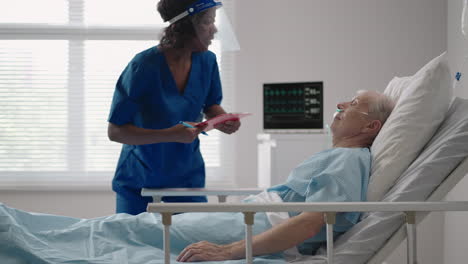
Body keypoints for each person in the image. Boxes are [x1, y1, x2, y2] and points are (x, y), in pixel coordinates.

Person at [175, 90, 395, 262]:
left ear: (370, 126)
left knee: (150, 227)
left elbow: (310, 223)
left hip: (262, 224)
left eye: (354, 104)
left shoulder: (348, 160)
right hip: (255, 217)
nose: (340, 104)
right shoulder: (338, 156)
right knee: (156, 225)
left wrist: (227, 251)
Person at [107, 0, 241, 215]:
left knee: (191, 245)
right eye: (207, 22)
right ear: (186, 26)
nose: (214, 30)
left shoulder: (207, 61)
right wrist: (170, 134)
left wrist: (222, 118)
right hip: (140, 181)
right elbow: (115, 131)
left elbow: (210, 104)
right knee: (137, 245)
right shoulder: (143, 66)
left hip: (187, 179)